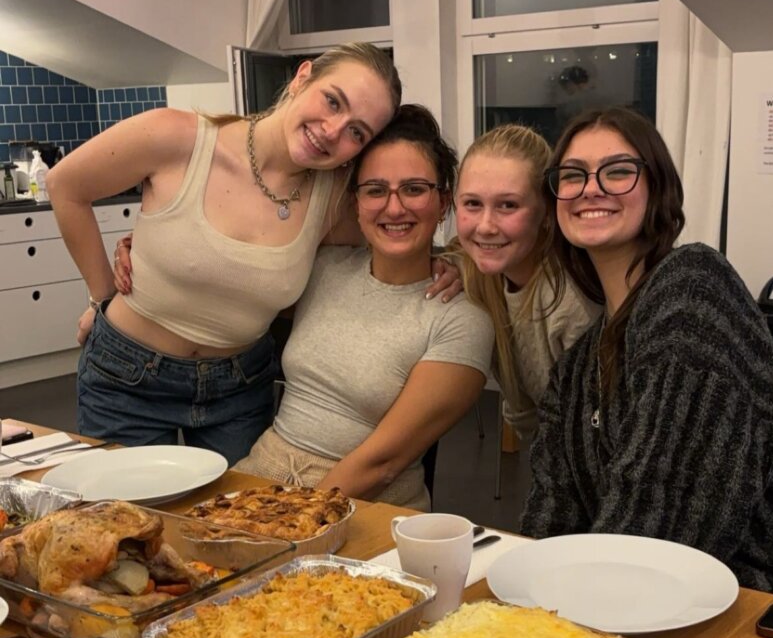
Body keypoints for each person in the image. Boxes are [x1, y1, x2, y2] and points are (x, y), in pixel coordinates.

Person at [47, 44, 408, 463]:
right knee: (125, 523)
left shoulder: (334, 200)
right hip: (127, 378)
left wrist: (450, 266)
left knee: (236, 526)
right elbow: (65, 187)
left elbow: (404, 231)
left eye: (357, 132)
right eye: (332, 101)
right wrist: (101, 294)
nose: (332, 130)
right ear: (302, 76)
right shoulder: (177, 137)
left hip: (239, 389)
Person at [522, 106, 773, 597]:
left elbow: (665, 512)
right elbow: (550, 511)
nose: (591, 188)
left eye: (618, 171)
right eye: (572, 175)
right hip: (669, 597)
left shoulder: (693, 287)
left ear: (657, 188)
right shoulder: (577, 366)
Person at [234, 105, 495, 510]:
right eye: (375, 190)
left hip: (364, 505)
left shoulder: (461, 319)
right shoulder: (323, 268)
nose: (394, 208)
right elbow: (232, 274)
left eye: (413, 189)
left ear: (443, 202)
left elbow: (383, 464)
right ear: (355, 203)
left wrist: (288, 520)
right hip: (259, 476)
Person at [454, 124, 599, 440]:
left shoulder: (570, 304)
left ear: (546, 212)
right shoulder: (478, 274)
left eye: (508, 205)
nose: (486, 226)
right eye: (472, 204)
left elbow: (594, 439)